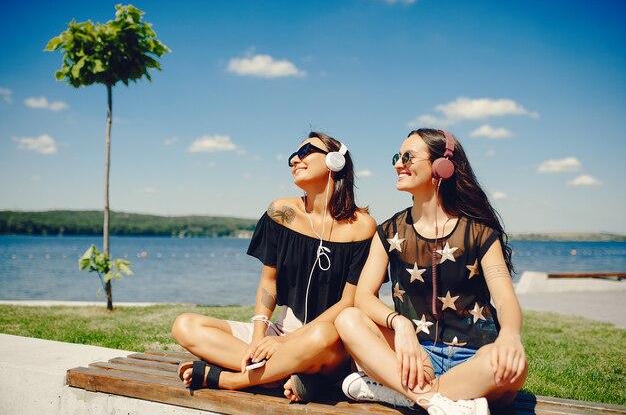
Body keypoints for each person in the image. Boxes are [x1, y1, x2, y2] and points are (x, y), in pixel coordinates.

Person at [171, 131, 376, 403]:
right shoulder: (281, 212)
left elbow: (349, 302)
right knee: (185, 325)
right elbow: (268, 283)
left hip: (330, 337)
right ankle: (283, 375)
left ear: (335, 161)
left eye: (304, 152)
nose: (294, 160)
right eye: (293, 155)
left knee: (320, 335)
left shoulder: (361, 226)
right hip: (280, 330)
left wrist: (283, 344)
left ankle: (234, 379)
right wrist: (259, 337)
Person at [335, 128, 527, 415]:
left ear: (442, 166)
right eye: (397, 157)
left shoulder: (479, 232)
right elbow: (363, 297)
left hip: (474, 359)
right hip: (415, 356)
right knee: (348, 318)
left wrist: (510, 335)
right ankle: (437, 401)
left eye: (408, 157)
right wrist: (400, 325)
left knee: (516, 368)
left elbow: (505, 298)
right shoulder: (388, 231)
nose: (399, 164)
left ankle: (401, 394)